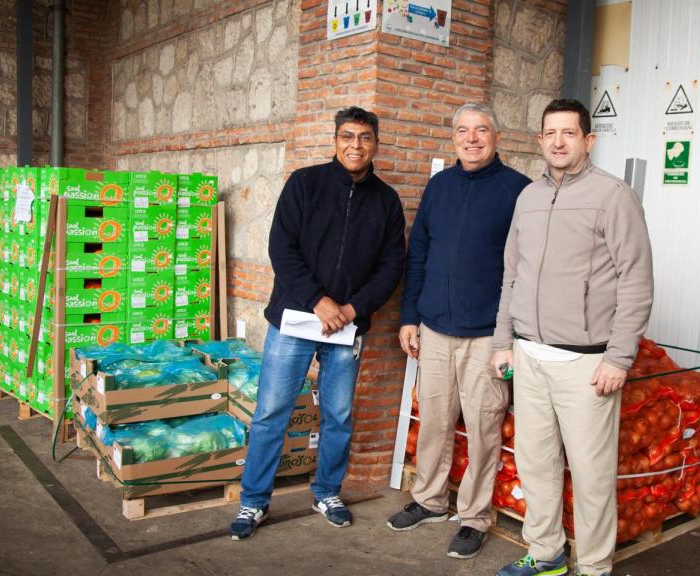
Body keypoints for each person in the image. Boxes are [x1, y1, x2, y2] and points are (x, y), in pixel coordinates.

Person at [490, 99, 654, 576]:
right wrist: (503, 341)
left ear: (589, 139)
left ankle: (596, 566)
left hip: (587, 363)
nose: (558, 142)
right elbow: (512, 275)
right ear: (540, 140)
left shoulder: (613, 195)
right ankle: (546, 555)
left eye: (568, 133)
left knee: (591, 473)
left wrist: (618, 358)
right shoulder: (528, 198)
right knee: (536, 464)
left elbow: (636, 280)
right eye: (550, 133)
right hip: (529, 357)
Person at [230, 106, 406, 540]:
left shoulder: (386, 201)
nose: (355, 145)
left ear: (375, 144)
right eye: (348, 136)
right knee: (272, 412)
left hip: (347, 327)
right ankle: (254, 500)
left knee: (339, 416)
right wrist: (319, 302)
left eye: (364, 137)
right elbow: (281, 248)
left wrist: (351, 310)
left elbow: (391, 267)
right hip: (294, 320)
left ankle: (327, 492)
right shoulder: (304, 183)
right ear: (335, 141)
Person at [386, 103, 531, 559]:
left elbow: (525, 269)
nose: (472, 139)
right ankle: (429, 500)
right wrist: (409, 316)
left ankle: (473, 518)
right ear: (453, 139)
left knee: (485, 426)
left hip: (488, 335)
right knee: (433, 420)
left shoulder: (518, 190)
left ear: (496, 137)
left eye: (481, 130)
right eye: (463, 131)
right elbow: (418, 253)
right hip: (434, 329)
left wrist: (510, 337)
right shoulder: (439, 186)